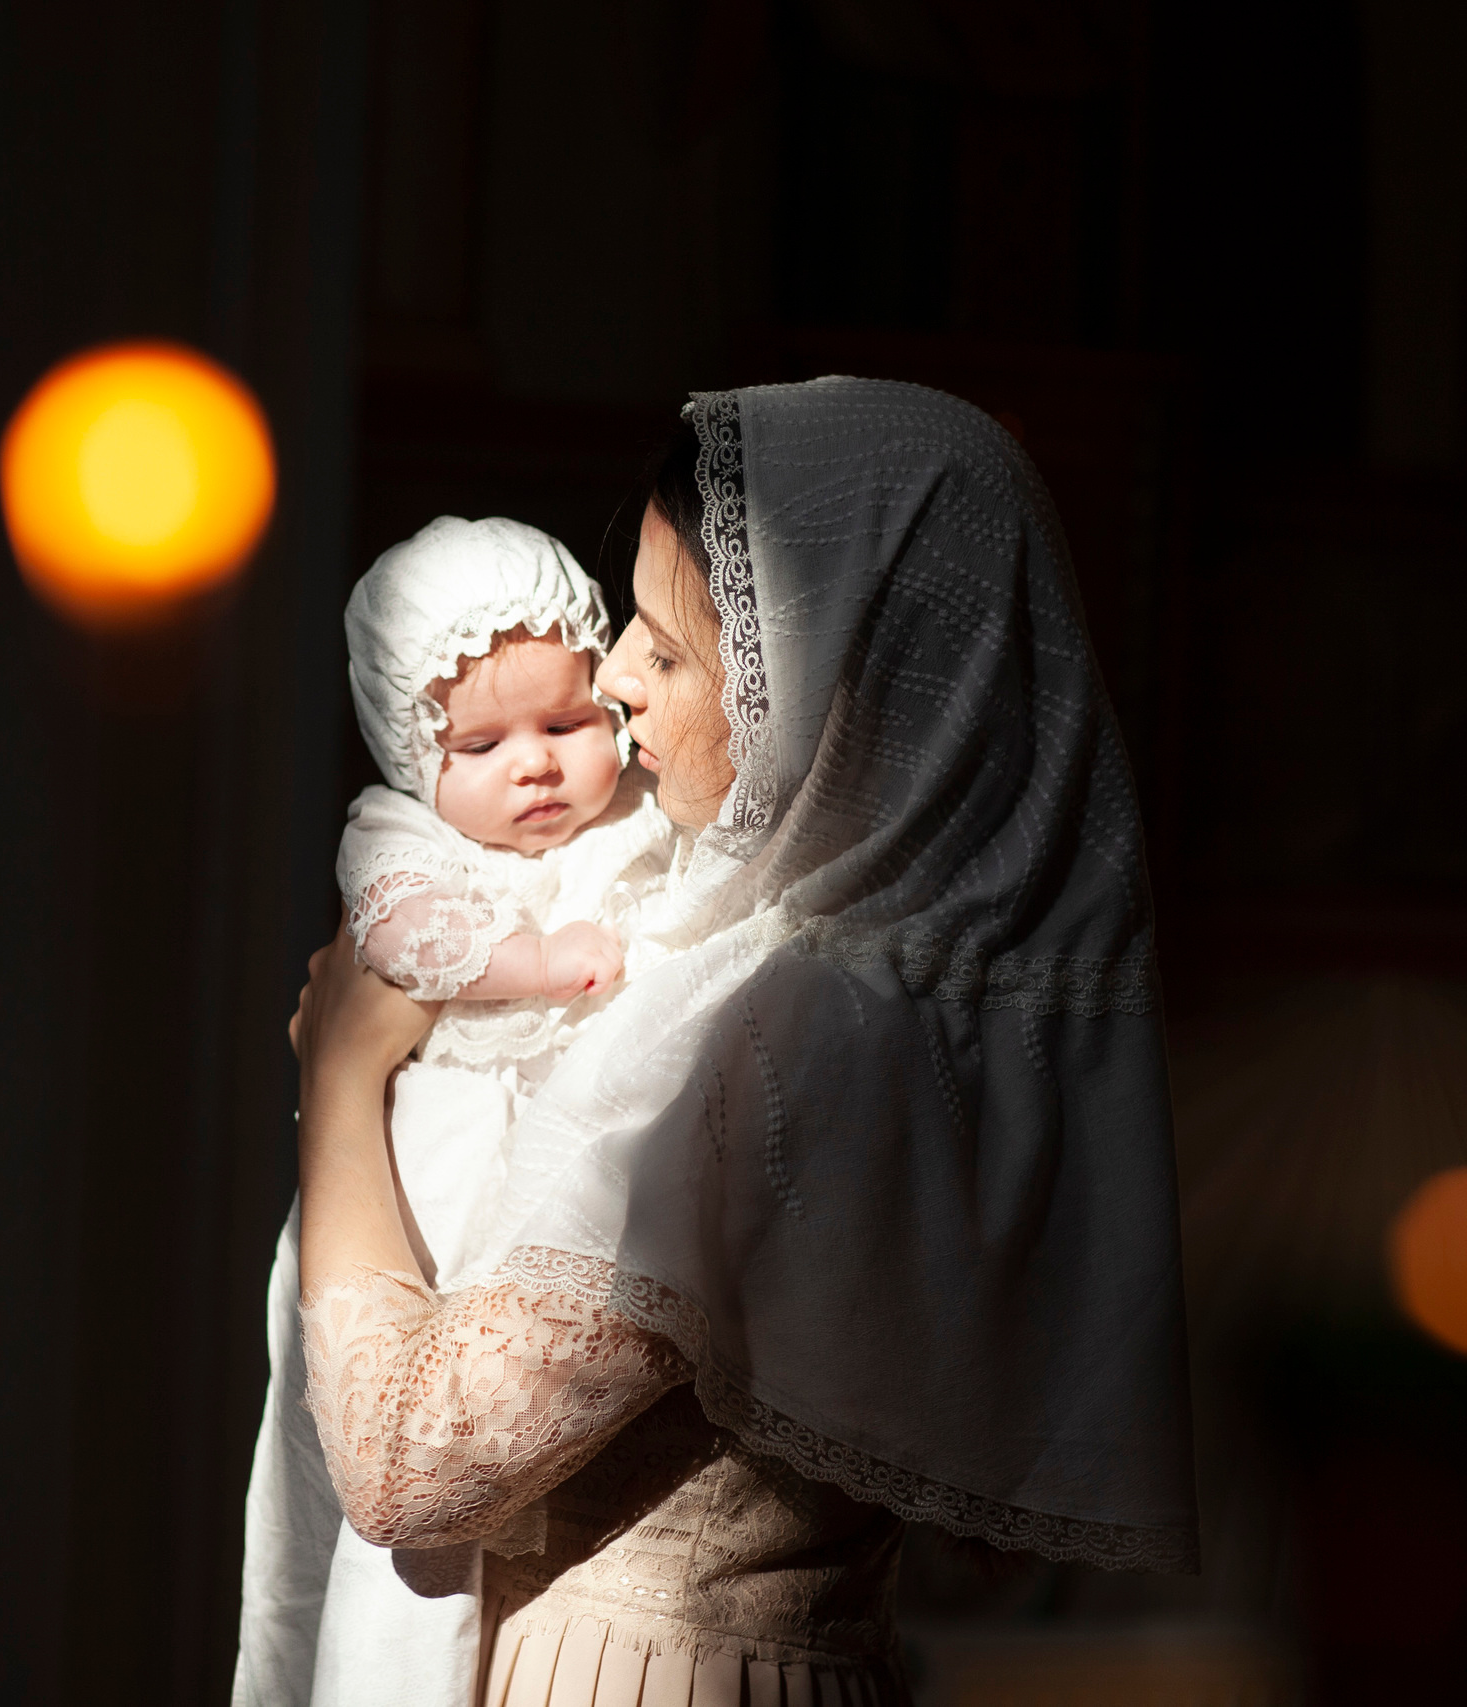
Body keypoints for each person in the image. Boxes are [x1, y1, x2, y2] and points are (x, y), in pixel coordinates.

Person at [260, 378, 1199, 1707]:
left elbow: (411, 1465)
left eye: (667, 650)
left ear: (817, 688)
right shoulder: (956, 1004)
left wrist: (341, 1079)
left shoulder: (772, 1022)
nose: (613, 681)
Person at [235, 518, 680, 1707]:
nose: (534, 767)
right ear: (407, 753)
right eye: (480, 744)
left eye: (565, 725)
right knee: (388, 1505)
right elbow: (402, 940)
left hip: (558, 1207)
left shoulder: (642, 811)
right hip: (430, 1171)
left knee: (500, 1452)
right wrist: (536, 961)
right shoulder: (400, 835)